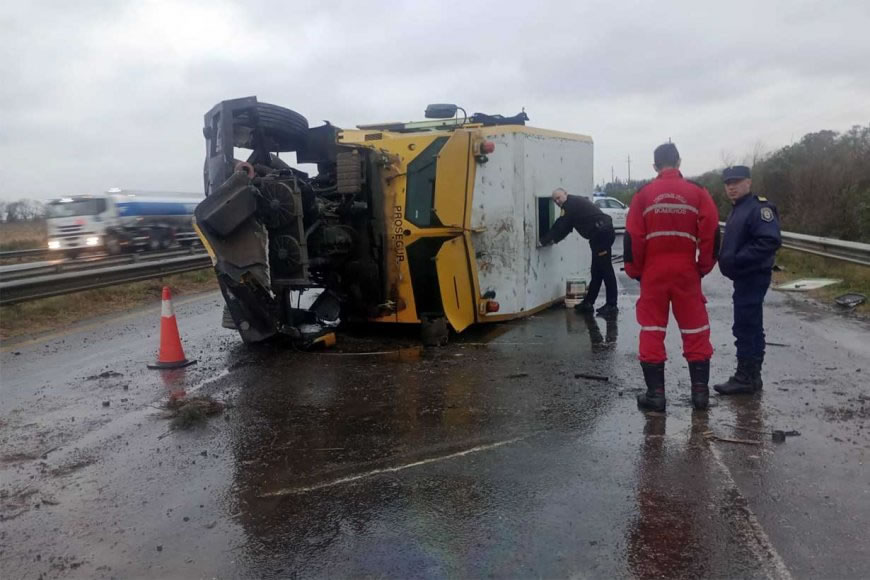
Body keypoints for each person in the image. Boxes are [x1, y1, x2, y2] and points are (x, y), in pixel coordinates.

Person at [624, 143, 720, 411]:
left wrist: (636, 271)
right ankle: (700, 395)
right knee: (696, 329)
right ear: (679, 162)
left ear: (655, 166)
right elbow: (711, 230)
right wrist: (704, 265)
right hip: (687, 272)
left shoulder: (643, 195)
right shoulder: (697, 192)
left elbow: (633, 238)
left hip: (653, 273)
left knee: (652, 331)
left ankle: (656, 396)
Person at [714, 166, 781, 395]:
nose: (731, 187)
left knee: (746, 326)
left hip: (753, 275)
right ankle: (751, 376)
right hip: (744, 277)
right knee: (749, 325)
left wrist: (737, 260)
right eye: (728, 183)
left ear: (749, 182)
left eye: (737, 182)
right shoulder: (739, 209)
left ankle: (746, 377)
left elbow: (769, 241)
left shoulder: (759, 209)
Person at [540, 188, 618, 317]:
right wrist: (553, 239)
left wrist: (544, 240)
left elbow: (561, 225)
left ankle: (612, 305)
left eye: (559, 198)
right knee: (596, 271)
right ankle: (588, 303)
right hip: (599, 234)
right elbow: (566, 227)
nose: (557, 201)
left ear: (565, 194)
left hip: (601, 235)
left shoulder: (569, 205)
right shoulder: (573, 203)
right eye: (555, 200)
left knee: (606, 270)